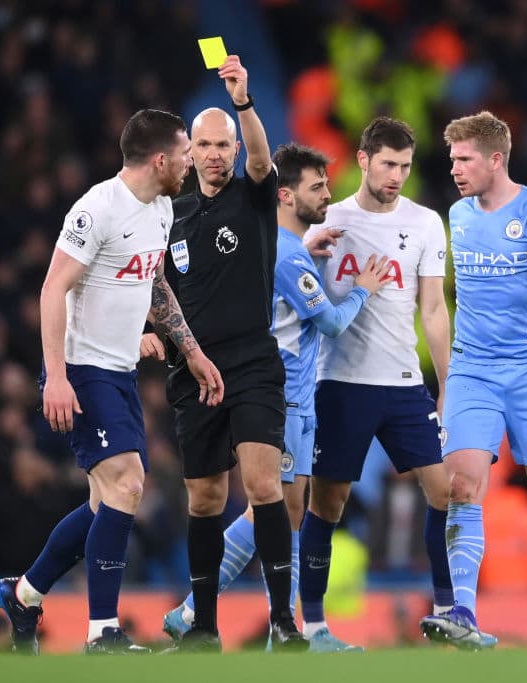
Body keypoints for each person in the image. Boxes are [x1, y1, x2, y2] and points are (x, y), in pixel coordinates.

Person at [0, 109, 224, 656]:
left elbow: (154, 283)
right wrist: (55, 377)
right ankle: (102, 632)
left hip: (117, 369)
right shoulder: (96, 209)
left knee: (106, 505)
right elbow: (52, 291)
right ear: (161, 159)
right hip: (83, 370)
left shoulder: (162, 209)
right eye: (187, 155)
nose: (192, 164)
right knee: (128, 483)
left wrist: (186, 349)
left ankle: (24, 595)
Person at [159, 143, 391, 652]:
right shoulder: (285, 253)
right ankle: (205, 612)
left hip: (298, 397)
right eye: (317, 188)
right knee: (270, 509)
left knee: (288, 509)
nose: (327, 195)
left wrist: (306, 249)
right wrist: (362, 289)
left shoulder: (284, 248)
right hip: (281, 393)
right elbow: (329, 322)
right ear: (284, 195)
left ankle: (287, 628)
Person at [154, 55, 306, 653]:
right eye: (206, 145)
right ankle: (205, 625)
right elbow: (153, 287)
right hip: (192, 370)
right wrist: (153, 335)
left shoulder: (254, 196)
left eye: (225, 144)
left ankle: (283, 620)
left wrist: (242, 102)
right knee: (206, 499)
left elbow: (266, 159)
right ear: (189, 152)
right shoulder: (170, 214)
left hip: (250, 363)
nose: (217, 153)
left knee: (263, 483)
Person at [420, 110, 527, 650]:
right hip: (474, 371)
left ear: (496, 159)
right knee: (462, 485)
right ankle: (464, 612)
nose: (455, 169)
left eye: (464, 158)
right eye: (451, 159)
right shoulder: (458, 214)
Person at [298, 116, 468, 649]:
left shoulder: (424, 223)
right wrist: (307, 249)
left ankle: (448, 613)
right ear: (363, 160)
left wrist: (448, 383)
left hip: (402, 384)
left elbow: (434, 310)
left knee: (447, 492)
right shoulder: (328, 220)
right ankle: (315, 625)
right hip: (341, 382)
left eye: (405, 166)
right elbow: (297, 291)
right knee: (327, 504)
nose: (396, 175)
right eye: (388, 164)